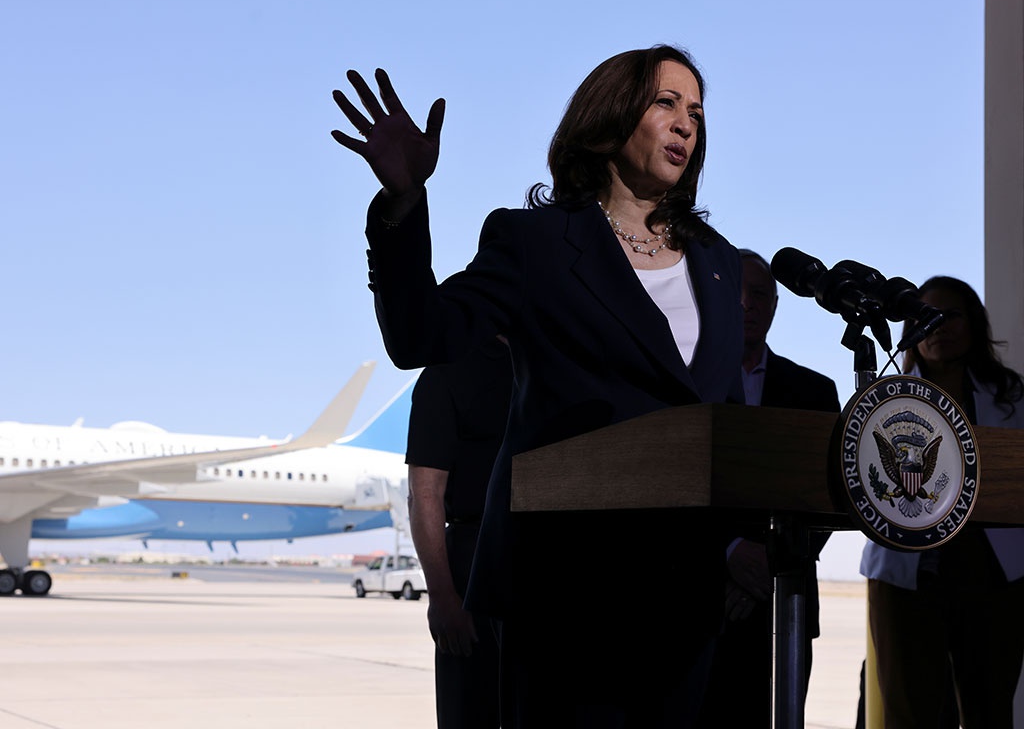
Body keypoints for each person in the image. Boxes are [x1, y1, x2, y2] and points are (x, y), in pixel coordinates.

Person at [332, 44, 745, 727]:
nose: (686, 123)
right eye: (666, 103)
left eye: (697, 113)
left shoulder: (720, 265)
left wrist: (740, 547)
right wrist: (404, 201)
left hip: (685, 594)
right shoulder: (537, 243)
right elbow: (420, 338)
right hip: (565, 586)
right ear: (610, 116)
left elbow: (725, 420)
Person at [860, 275, 1024, 729]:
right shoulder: (887, 397)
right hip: (907, 578)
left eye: (950, 315)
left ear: (974, 323)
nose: (937, 327)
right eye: (924, 318)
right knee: (908, 713)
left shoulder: (1012, 398)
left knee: (990, 711)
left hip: (993, 574)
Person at [697, 249, 840, 727]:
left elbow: (832, 494)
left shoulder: (815, 391)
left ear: (776, 306)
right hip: (698, 598)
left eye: (759, 294)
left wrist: (770, 563)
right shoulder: (680, 383)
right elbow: (664, 483)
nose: (747, 303)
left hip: (785, 601)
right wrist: (728, 552)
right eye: (735, 292)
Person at [405, 337, 513, 729]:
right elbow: (424, 494)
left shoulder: (556, 362)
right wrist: (442, 596)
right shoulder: (450, 372)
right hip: (473, 563)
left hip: (538, 556)